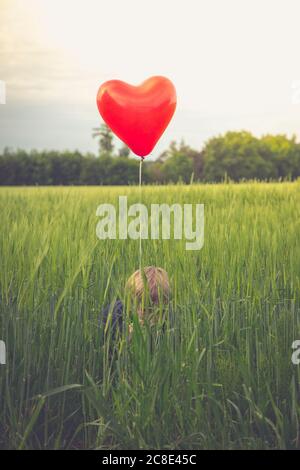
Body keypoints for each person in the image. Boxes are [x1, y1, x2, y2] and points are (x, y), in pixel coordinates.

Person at [101, 266, 170, 339]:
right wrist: (128, 338)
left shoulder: (170, 320)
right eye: (139, 303)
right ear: (131, 298)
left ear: (164, 302)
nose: (143, 313)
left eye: (151, 309)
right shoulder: (113, 315)